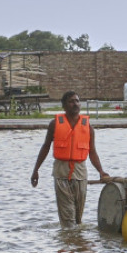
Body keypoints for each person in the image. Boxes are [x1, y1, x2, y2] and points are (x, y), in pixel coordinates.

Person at [30, 91, 109, 226]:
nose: (75, 104)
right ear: (64, 106)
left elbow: (93, 152)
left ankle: (76, 243)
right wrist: (36, 170)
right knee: (68, 217)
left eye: (77, 101)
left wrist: (101, 171)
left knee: (78, 219)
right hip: (61, 172)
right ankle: (69, 242)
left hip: (80, 172)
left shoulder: (88, 127)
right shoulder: (55, 124)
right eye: (71, 101)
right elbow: (45, 147)